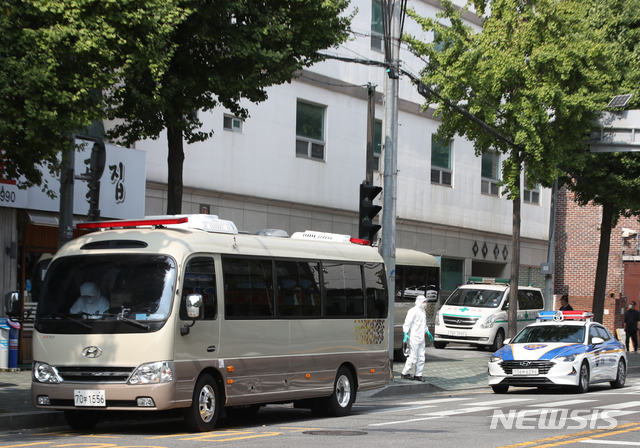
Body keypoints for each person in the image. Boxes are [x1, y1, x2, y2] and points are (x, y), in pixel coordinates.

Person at [400, 293, 434, 382]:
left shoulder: (423, 312)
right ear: (419, 302)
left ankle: (418, 374)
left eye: (425, 302)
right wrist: (405, 333)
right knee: (413, 356)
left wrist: (427, 332)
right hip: (413, 337)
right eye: (424, 302)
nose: (425, 303)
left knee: (421, 357)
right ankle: (405, 373)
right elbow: (407, 323)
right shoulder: (412, 311)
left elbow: (423, 324)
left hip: (421, 337)